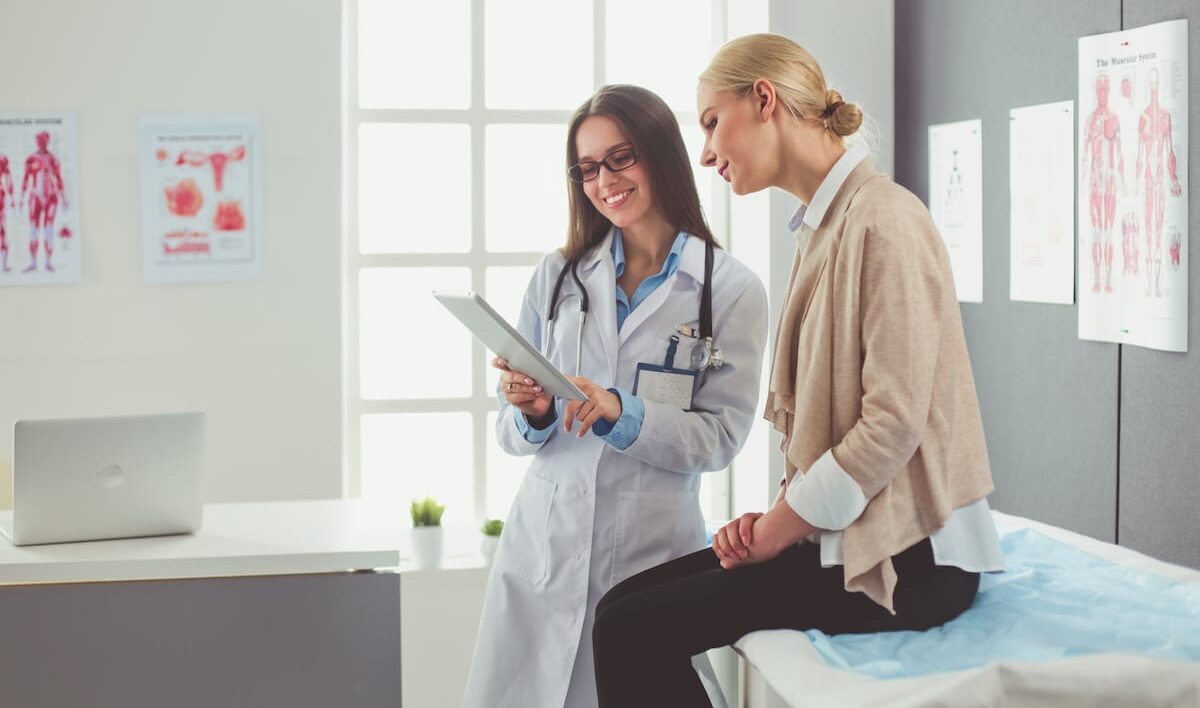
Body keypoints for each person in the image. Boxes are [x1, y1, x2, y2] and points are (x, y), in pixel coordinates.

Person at [591, 34, 1005, 708]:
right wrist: (783, 519)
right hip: (856, 530)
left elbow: (892, 424)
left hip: (916, 559)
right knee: (618, 610)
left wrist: (781, 527)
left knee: (631, 629)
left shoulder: (885, 222)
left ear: (764, 100)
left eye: (711, 122)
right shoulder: (826, 227)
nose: (705, 153)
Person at [462, 84, 768, 708]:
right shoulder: (559, 275)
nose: (605, 180)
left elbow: (720, 440)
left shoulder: (729, 290)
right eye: (588, 167)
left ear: (660, 155)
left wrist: (620, 412)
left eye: (621, 157)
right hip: (542, 557)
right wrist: (534, 411)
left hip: (651, 560)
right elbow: (508, 432)